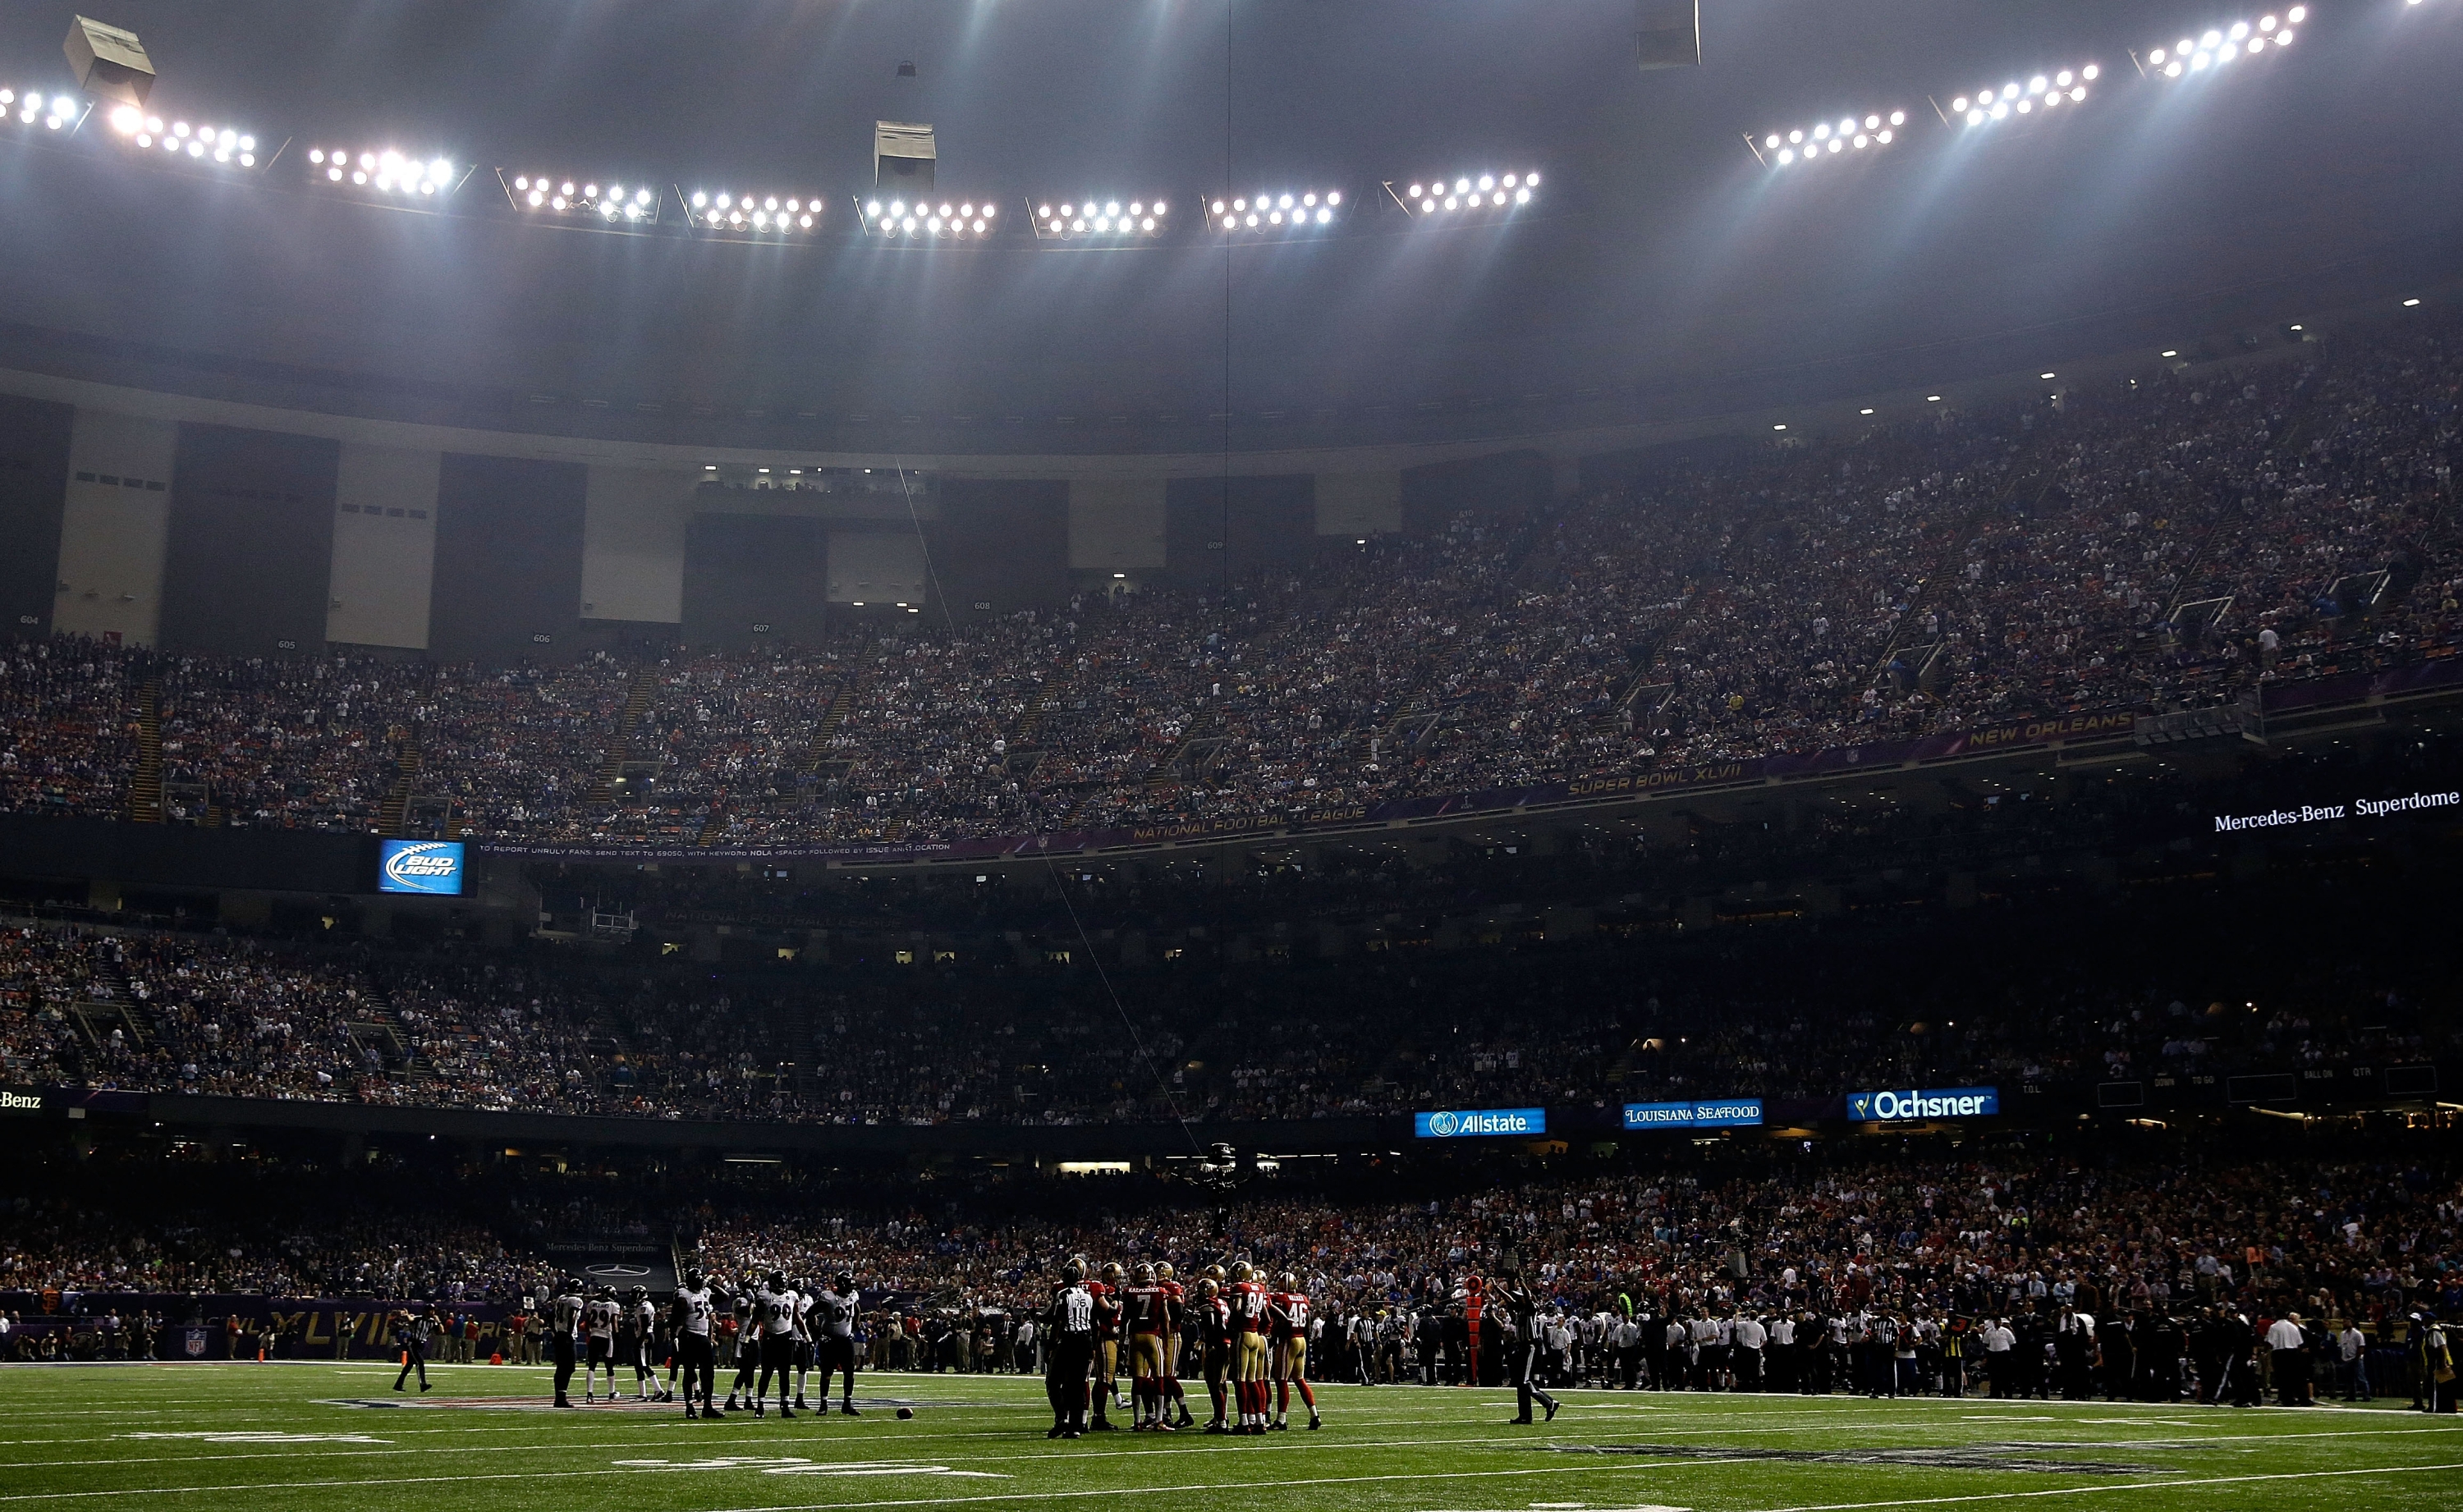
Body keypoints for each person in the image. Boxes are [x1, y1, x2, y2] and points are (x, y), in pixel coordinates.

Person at [1492, 1269, 1560, 1424]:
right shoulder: (1521, 1309)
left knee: (1525, 1381)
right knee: (1519, 1382)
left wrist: (1521, 1280)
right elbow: (1509, 1299)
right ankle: (1525, 1416)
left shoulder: (1531, 1307)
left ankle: (1549, 1403)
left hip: (1531, 1345)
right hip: (1522, 1346)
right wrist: (1497, 1288)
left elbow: (1527, 1296)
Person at [1043, 1262, 1098, 1439]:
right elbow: (1094, 1323)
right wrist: (1093, 1346)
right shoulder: (1088, 1296)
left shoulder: (1063, 1294)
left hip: (1069, 1340)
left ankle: (1062, 1418)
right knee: (1077, 1385)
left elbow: (1058, 1321)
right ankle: (1075, 1426)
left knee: (1053, 1381)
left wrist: (1051, 1346)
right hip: (1085, 1340)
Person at [1121, 1262, 1173, 1431]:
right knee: (1158, 1377)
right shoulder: (1160, 1292)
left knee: (1137, 1379)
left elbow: (1125, 1319)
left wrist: (1123, 1340)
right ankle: (1158, 1420)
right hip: (1152, 1336)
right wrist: (1165, 1341)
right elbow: (1165, 1320)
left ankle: (1137, 1421)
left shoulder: (1129, 1292)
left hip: (1135, 1336)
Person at [1267, 1271, 1321, 1431]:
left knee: (1281, 1379)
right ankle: (1314, 1415)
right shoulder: (1304, 1298)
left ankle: (1281, 1419)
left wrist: (1273, 1338)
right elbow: (1308, 1321)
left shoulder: (1281, 1298)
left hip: (1289, 1340)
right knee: (1299, 1379)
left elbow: (1282, 1319)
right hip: (1302, 1340)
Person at [1227, 1261, 1273, 1434]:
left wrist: (1232, 1324)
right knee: (1253, 1379)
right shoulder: (1260, 1289)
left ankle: (1244, 1422)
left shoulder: (1240, 1287)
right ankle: (1260, 1421)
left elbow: (1238, 1308)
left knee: (1240, 1380)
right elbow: (1267, 1317)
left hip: (1244, 1335)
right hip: (1256, 1336)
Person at [672, 1268, 722, 1418]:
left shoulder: (705, 1292)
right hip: (689, 1337)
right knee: (689, 1372)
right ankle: (689, 1406)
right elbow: (675, 1319)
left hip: (703, 1338)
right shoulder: (683, 1295)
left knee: (708, 1374)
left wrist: (712, 1285)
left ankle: (708, 1406)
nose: (701, 1283)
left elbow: (723, 1296)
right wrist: (675, 1337)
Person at [812, 1271, 862, 1417]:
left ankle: (847, 1404)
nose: (851, 1288)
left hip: (846, 1339)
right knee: (827, 1373)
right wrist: (818, 1332)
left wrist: (855, 1325)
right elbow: (810, 1313)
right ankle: (823, 1405)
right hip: (830, 1339)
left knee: (849, 1373)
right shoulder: (828, 1298)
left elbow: (857, 1309)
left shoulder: (853, 1297)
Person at [752, 1272, 800, 1418]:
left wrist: (807, 1337)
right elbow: (755, 1319)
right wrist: (747, 1338)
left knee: (784, 1374)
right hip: (770, 1338)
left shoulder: (792, 1295)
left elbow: (797, 1318)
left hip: (786, 1338)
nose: (784, 1284)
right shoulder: (765, 1296)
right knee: (766, 1373)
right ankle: (760, 1405)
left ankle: (785, 1406)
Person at [582, 1286, 621, 1403]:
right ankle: (611, 1394)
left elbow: (587, 1321)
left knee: (592, 1366)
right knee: (609, 1366)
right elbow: (614, 1324)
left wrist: (590, 1333)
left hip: (594, 1336)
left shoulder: (593, 1304)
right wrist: (617, 1336)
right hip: (606, 1337)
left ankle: (589, 1394)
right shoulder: (613, 1305)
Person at [549, 1281, 585, 1409]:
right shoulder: (576, 1301)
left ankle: (559, 1398)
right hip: (567, 1336)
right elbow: (572, 1317)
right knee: (568, 1368)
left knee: (561, 1368)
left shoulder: (561, 1299)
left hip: (559, 1334)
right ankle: (561, 1399)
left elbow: (550, 1316)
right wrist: (569, 1335)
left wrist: (555, 1331)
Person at [2264, 1313, 2309, 1406]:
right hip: (2293, 1353)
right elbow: (2299, 1342)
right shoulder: (2293, 1327)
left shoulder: (2274, 1327)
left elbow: (2270, 1342)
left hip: (2279, 1353)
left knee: (2282, 1378)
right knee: (2297, 1377)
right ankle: (2304, 1399)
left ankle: (2287, 1400)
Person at [392, 1304, 433, 1394]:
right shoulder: (418, 1318)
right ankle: (423, 1384)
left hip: (421, 1344)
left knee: (409, 1366)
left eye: (433, 1310)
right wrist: (407, 1314)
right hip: (413, 1343)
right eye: (431, 1310)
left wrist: (439, 1322)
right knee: (420, 1362)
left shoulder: (432, 1321)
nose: (432, 1312)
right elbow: (411, 1320)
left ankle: (398, 1384)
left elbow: (440, 1331)